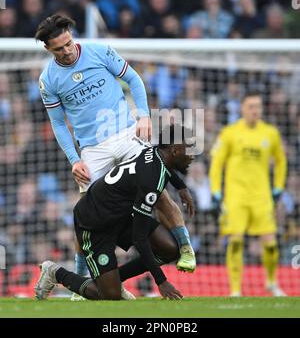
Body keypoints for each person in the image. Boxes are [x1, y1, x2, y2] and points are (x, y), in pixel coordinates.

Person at [35, 15, 196, 299]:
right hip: (92, 150)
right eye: (59, 48)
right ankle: (83, 277)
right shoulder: (48, 79)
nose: (67, 50)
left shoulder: (99, 51)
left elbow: (132, 78)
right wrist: (74, 159)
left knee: (156, 189)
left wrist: (144, 115)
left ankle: (184, 247)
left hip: (124, 133)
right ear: (49, 49)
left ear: (72, 36)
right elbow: (59, 123)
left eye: (69, 43)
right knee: (88, 211)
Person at [35, 124, 194, 300]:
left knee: (170, 249)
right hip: (94, 223)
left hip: (119, 215)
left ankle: (114, 279)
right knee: (109, 295)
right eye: (189, 151)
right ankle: (55, 272)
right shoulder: (151, 183)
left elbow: (167, 168)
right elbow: (139, 239)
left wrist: (181, 187)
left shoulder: (154, 152)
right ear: (175, 151)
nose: (192, 156)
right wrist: (161, 281)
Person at [209, 91, 287, 297]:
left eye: (258, 106)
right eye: (251, 106)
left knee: (270, 244)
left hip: (262, 197)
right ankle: (235, 289)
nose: (255, 110)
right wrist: (216, 191)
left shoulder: (270, 133)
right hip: (236, 197)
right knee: (235, 241)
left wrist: (278, 186)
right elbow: (216, 164)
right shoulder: (229, 133)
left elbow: (281, 161)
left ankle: (271, 282)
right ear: (242, 108)